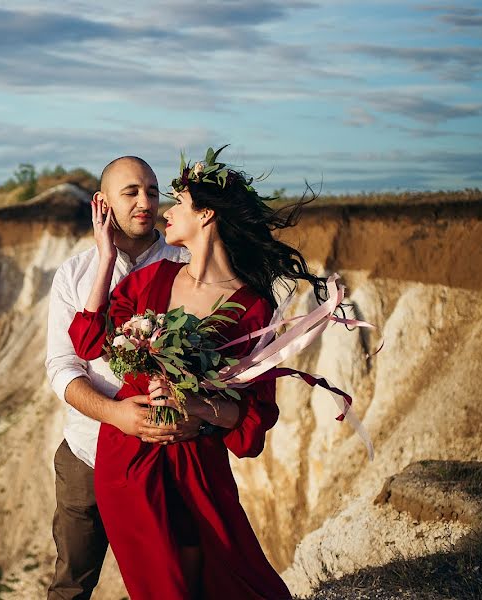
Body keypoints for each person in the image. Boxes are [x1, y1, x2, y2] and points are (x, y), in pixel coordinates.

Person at [68, 147, 330, 599]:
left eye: (178, 202)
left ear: (207, 214)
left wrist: (193, 405)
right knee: (164, 587)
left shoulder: (252, 306)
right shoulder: (151, 281)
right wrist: (105, 257)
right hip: (131, 459)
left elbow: (250, 421)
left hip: (198, 465)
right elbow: (89, 342)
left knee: (234, 578)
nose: (164, 211)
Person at [45, 156, 207, 600]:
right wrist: (115, 414)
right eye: (131, 192)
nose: (145, 202)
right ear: (103, 203)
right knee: (70, 586)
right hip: (88, 455)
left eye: (153, 192)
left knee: (173, 582)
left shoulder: (187, 266)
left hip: (168, 456)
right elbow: (62, 367)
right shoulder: (75, 274)